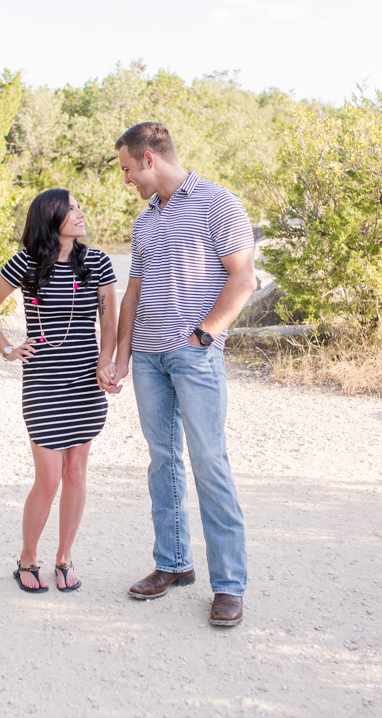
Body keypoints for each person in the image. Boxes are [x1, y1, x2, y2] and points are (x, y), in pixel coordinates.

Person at [98, 122, 257, 627]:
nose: (126, 180)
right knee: (162, 461)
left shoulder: (219, 203)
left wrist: (204, 336)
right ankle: (173, 563)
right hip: (147, 359)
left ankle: (229, 584)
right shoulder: (144, 222)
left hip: (194, 356)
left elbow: (244, 278)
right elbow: (133, 294)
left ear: (149, 159)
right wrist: (122, 356)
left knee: (210, 463)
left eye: (127, 169)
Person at [0, 189, 118, 593]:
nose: (80, 213)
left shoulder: (97, 263)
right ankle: (28, 557)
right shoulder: (25, 263)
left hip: (84, 381)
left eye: (79, 207)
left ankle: (64, 557)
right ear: (50, 217)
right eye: (70, 208)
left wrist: (105, 361)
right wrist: (8, 349)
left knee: (76, 472)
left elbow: (109, 325)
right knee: (50, 478)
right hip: (43, 381)